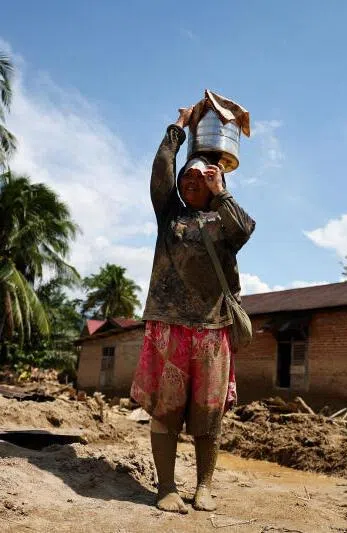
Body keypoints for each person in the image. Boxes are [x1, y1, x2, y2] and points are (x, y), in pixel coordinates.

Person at [130, 106, 255, 513]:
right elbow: (162, 170)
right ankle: (165, 486)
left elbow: (245, 228)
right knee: (166, 413)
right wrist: (179, 129)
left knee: (209, 416)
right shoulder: (170, 216)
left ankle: (204, 486)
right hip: (169, 327)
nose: (193, 180)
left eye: (203, 176)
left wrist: (221, 191)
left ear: (217, 182)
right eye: (188, 176)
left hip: (212, 330)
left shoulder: (224, 221)